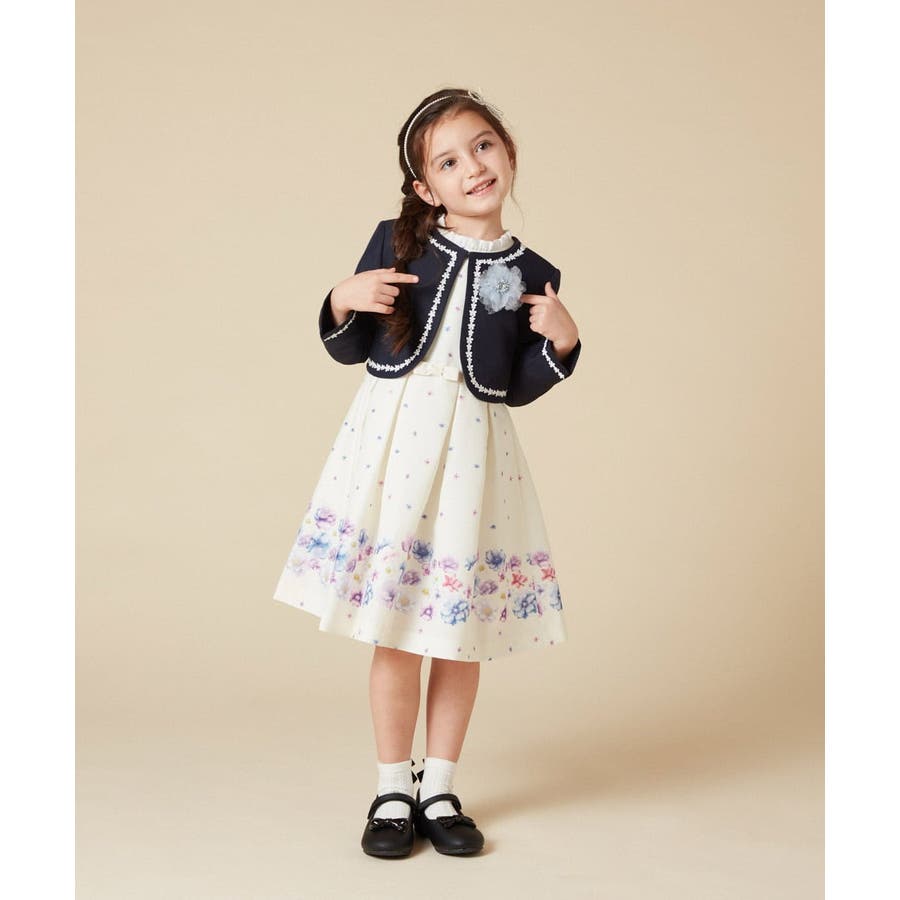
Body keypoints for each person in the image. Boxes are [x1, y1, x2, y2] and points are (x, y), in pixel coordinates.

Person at [272, 87, 583, 858]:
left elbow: (513, 384)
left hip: (474, 460)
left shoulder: (529, 271)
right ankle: (391, 788)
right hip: (394, 452)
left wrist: (562, 344)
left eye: (482, 146)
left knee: (456, 634)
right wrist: (341, 298)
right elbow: (350, 346)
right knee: (395, 627)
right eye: (448, 162)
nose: (472, 167)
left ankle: (439, 786)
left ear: (507, 150)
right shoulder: (398, 244)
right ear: (425, 188)